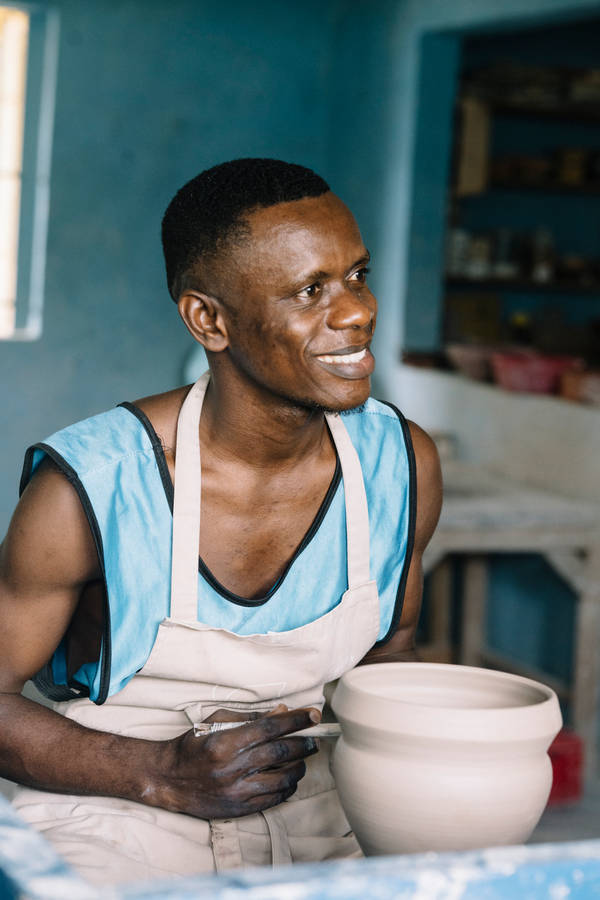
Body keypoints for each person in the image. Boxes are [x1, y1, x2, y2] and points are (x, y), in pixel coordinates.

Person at [0, 158, 442, 885]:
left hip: (324, 800)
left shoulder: (400, 464)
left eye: (357, 276)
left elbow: (386, 658)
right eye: (310, 290)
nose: (358, 311)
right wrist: (159, 773)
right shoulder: (93, 487)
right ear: (210, 319)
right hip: (115, 807)